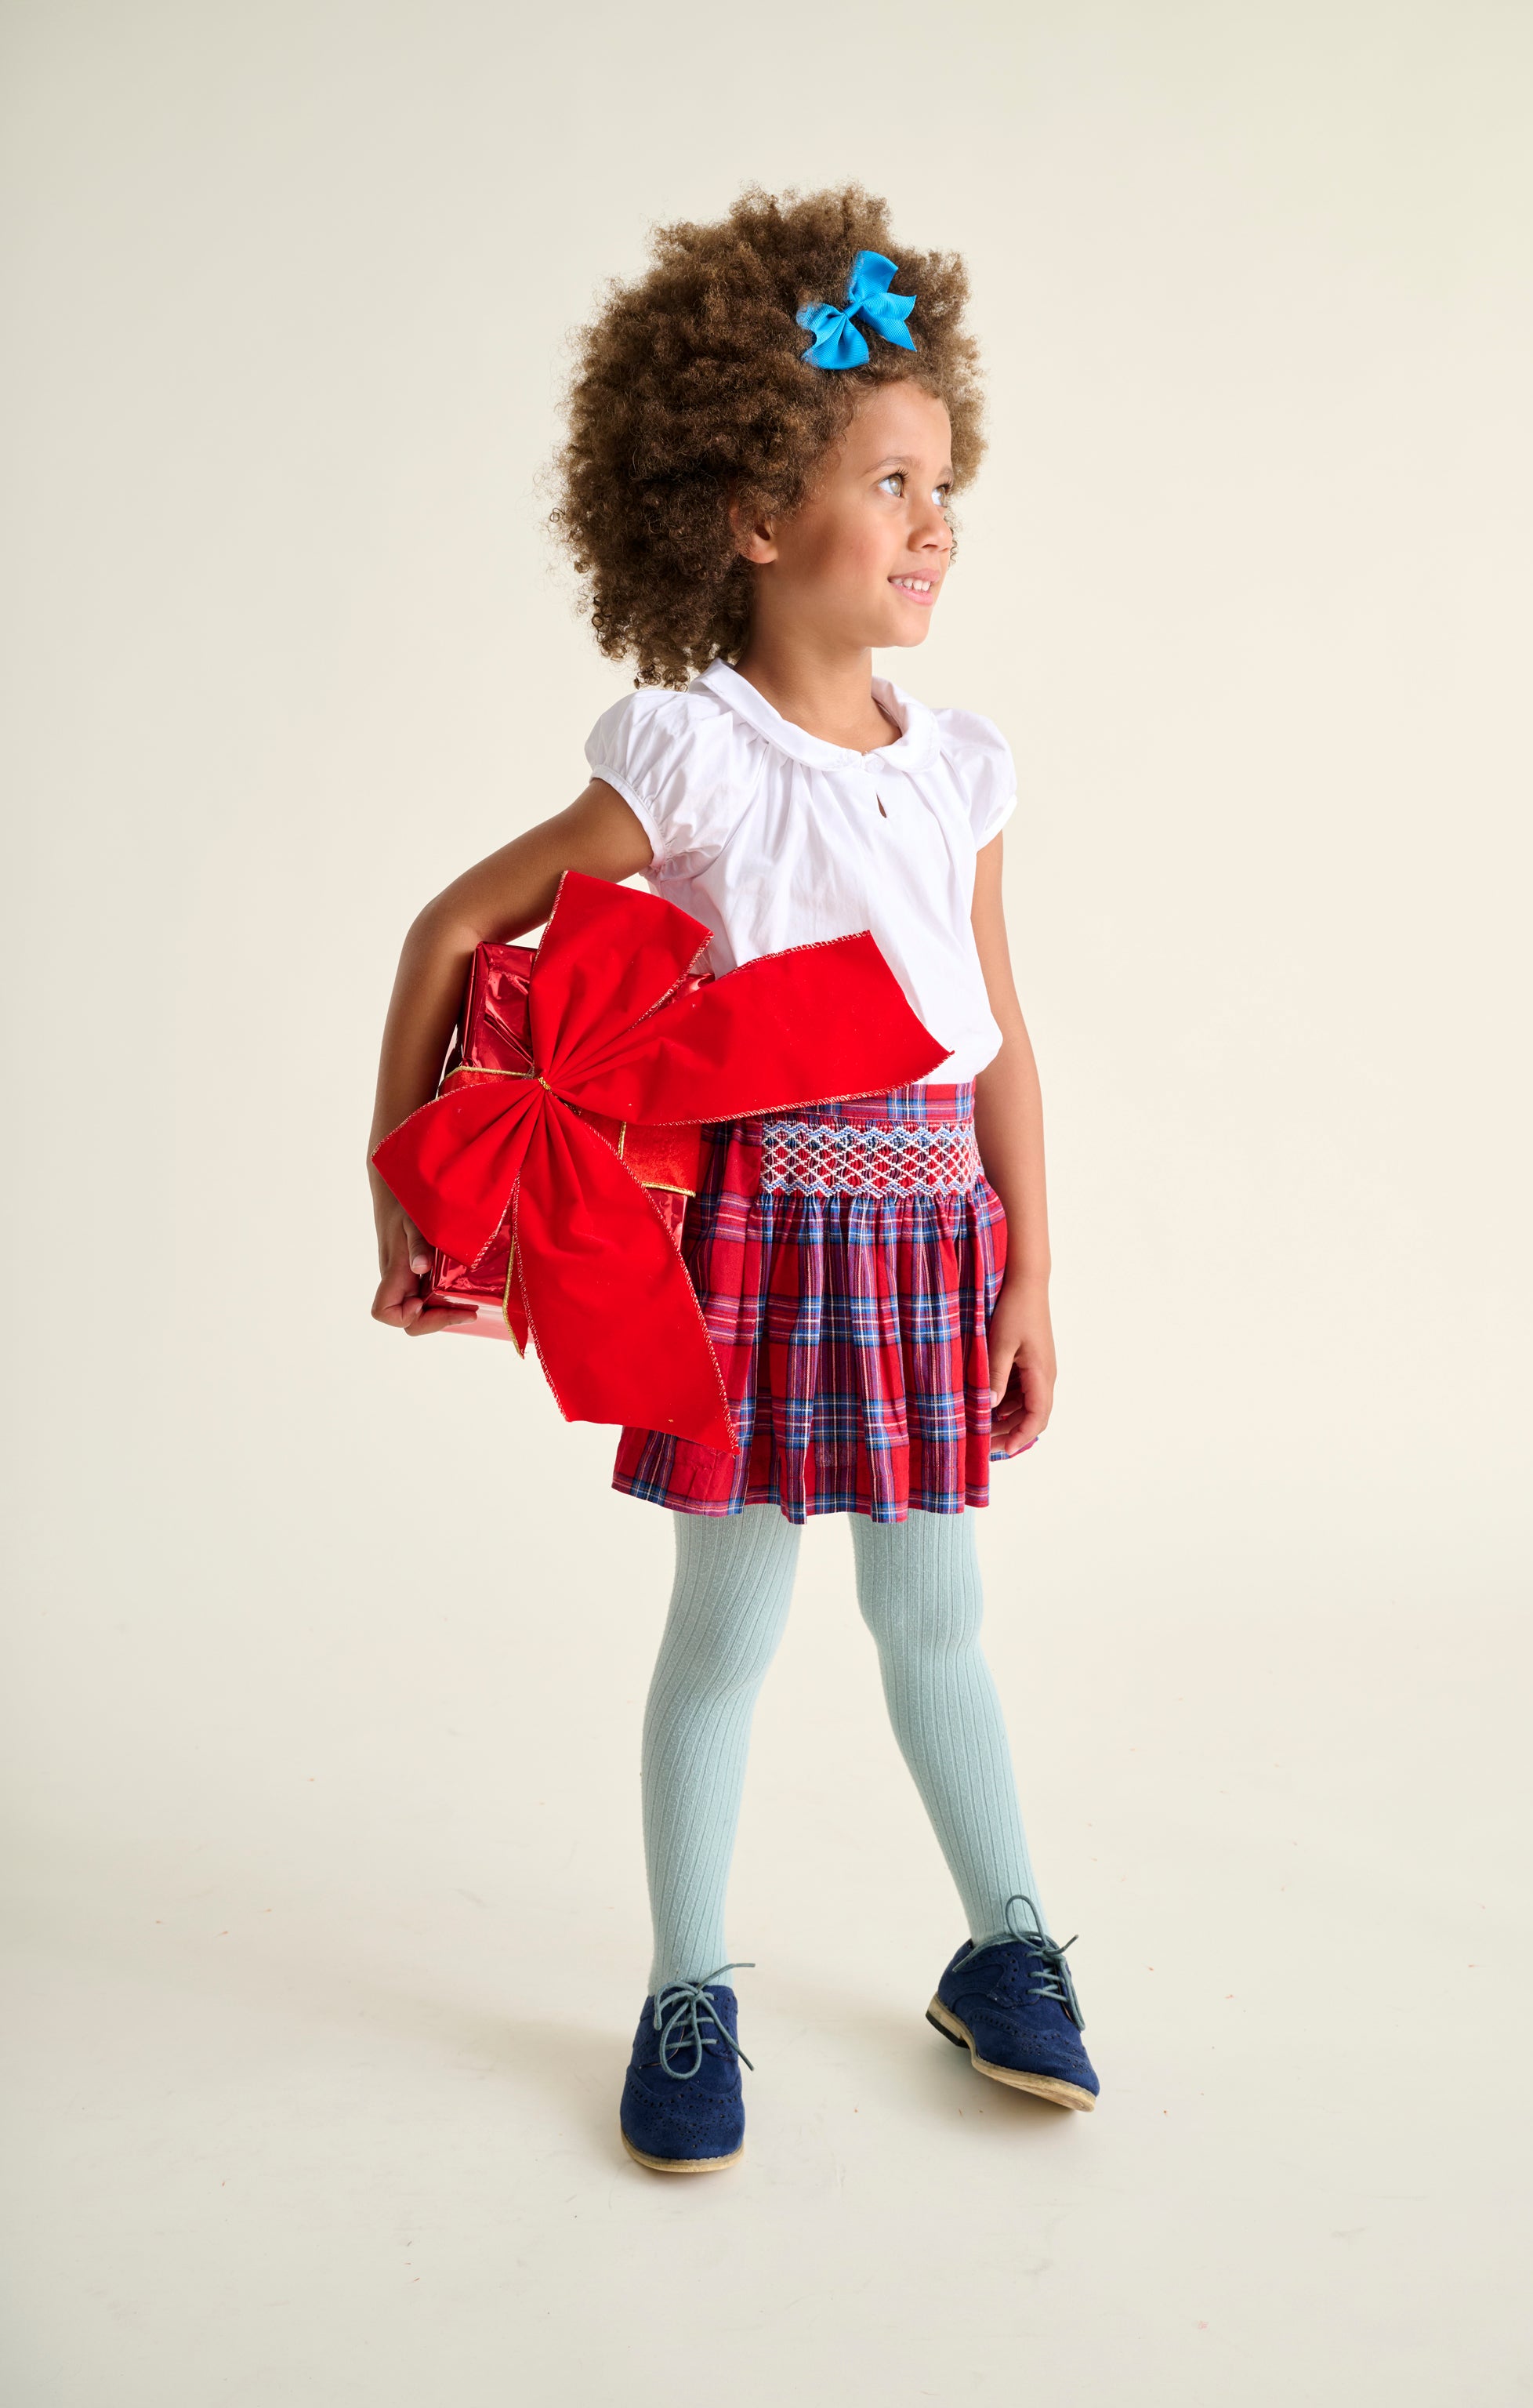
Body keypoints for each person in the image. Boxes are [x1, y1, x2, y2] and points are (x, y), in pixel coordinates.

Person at [368, 184, 1100, 2174]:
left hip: (931, 1226)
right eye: (888, 477)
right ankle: (688, 1988)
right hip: (759, 1242)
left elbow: (996, 1031)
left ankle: (1004, 1948)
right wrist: (412, 1200)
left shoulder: (962, 769)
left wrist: (1030, 1272)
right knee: (728, 1631)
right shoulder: (685, 758)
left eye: (946, 478)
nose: (937, 517)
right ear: (753, 520)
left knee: (936, 1619)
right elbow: (453, 930)